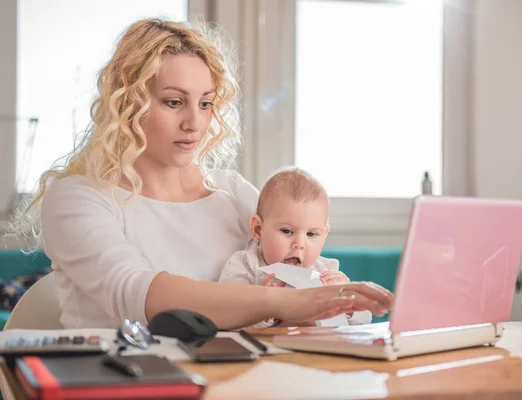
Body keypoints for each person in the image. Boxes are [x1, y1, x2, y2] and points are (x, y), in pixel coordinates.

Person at [10, 18, 392, 330]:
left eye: (206, 103)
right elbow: (140, 295)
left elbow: (295, 265)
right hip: (125, 381)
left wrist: (330, 293)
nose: (195, 122)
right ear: (129, 104)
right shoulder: (79, 198)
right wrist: (287, 302)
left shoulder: (233, 193)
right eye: (174, 102)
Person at [219, 166, 371, 327]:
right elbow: (228, 317)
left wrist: (347, 301)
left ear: (324, 235)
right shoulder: (245, 266)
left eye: (311, 234)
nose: (299, 244)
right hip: (265, 349)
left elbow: (364, 321)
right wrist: (265, 304)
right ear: (258, 229)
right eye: (287, 231)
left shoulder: (325, 271)